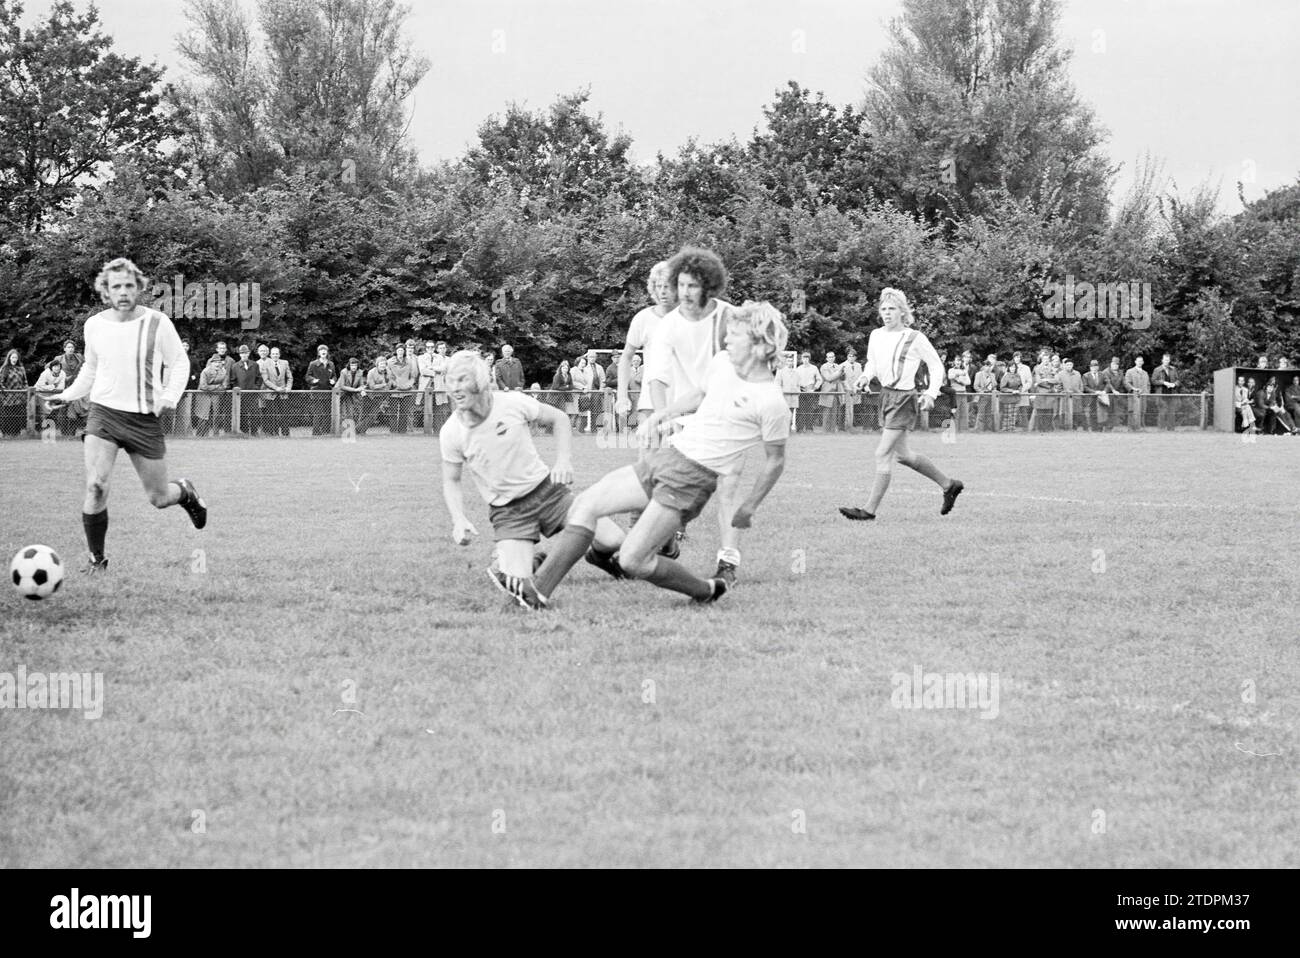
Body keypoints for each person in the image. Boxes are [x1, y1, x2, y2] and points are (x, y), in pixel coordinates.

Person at [508, 302, 791, 610]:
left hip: (691, 481)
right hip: (668, 455)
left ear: (760, 344)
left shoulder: (771, 401)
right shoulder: (722, 362)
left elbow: (775, 460)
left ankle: (705, 590)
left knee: (632, 561)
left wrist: (748, 507)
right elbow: (699, 394)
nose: (726, 340)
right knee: (586, 504)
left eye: (735, 335)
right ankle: (537, 592)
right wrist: (662, 415)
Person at [43, 258, 206, 572]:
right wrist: (65, 395)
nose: (122, 291)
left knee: (158, 497)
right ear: (105, 290)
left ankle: (184, 492)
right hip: (103, 415)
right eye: (115, 286)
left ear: (139, 288)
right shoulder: (95, 325)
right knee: (96, 486)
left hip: (143, 419)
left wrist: (170, 397)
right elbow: (90, 370)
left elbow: (180, 363)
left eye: (129, 285)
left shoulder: (158, 323)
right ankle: (97, 560)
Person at [438, 350, 623, 600]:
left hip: (547, 492)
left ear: (479, 381)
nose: (455, 389)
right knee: (515, 583)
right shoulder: (451, 432)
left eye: (462, 380)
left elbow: (558, 418)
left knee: (613, 540)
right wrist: (458, 520)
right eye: (451, 381)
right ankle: (513, 557)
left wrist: (563, 460)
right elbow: (451, 480)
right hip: (509, 511)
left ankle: (594, 557)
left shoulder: (511, 402)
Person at [645, 245, 747, 584]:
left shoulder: (729, 318)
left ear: (709, 286)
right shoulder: (668, 326)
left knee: (728, 486)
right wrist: (663, 416)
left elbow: (749, 363)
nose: (685, 292)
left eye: (693, 285)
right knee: (673, 489)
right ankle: (670, 537)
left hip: (729, 416)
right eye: (682, 285)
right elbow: (657, 377)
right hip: (686, 418)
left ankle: (728, 562)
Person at [841, 288, 962, 522]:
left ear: (902, 311)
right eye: (883, 309)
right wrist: (865, 377)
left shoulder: (914, 337)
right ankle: (949, 485)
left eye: (892, 309)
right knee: (904, 455)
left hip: (904, 399)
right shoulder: (876, 335)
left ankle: (868, 510)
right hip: (885, 396)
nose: (887, 313)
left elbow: (936, 366)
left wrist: (930, 393)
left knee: (883, 452)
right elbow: (872, 364)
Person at [230, 344, 263, 435]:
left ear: (248, 353)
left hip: (253, 394)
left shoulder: (255, 365)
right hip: (241, 395)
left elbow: (259, 378)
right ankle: (244, 432)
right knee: (242, 413)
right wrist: (237, 390)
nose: (244, 355)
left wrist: (256, 388)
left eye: (245, 353)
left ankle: (254, 432)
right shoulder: (235, 366)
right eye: (242, 353)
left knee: (255, 413)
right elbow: (233, 381)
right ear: (239, 354)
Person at [260, 346, 293, 436]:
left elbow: (289, 377)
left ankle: (286, 434)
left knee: (285, 414)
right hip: (271, 394)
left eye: (277, 353)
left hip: (283, 393)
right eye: (273, 353)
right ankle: (273, 434)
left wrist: (288, 387)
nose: (275, 355)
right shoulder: (265, 364)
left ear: (279, 354)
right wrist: (276, 388)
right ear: (270, 355)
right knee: (272, 415)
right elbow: (265, 380)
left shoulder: (285, 363)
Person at [419, 340, 451, 432]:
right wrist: (436, 372)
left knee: (438, 409)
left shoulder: (439, 357)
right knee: (427, 410)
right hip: (426, 387)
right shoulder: (421, 357)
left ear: (434, 348)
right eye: (428, 347)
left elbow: (443, 368)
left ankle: (438, 431)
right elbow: (423, 371)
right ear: (426, 348)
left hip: (438, 387)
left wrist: (432, 368)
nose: (430, 349)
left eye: (432, 347)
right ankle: (427, 431)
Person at [305, 345, 336, 435]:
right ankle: (316, 432)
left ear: (327, 352)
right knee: (317, 413)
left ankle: (326, 432)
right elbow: (307, 376)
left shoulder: (331, 364)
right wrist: (313, 380)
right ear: (318, 353)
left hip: (328, 391)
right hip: (316, 391)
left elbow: (334, 375)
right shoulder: (313, 364)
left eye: (325, 350)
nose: (323, 351)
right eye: (321, 350)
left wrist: (333, 380)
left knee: (327, 413)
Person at [194, 355, 227, 436]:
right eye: (215, 362)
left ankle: (216, 435)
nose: (217, 364)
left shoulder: (223, 371)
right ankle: (201, 435)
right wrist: (216, 387)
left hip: (216, 395)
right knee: (204, 415)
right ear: (211, 363)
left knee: (216, 414)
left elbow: (224, 386)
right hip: (203, 395)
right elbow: (203, 386)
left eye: (219, 362)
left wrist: (215, 389)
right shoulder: (205, 371)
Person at [389, 343, 418, 434]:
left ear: (404, 351)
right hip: (394, 390)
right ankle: (393, 431)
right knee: (393, 412)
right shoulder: (390, 361)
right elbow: (389, 376)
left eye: (402, 350)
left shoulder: (409, 362)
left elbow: (413, 376)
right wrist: (395, 385)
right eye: (399, 350)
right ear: (396, 351)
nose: (400, 352)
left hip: (407, 391)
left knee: (404, 412)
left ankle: (402, 431)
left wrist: (409, 385)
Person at [363, 355, 395, 433]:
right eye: (381, 364)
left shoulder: (388, 372)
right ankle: (358, 431)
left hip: (380, 397)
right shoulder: (372, 372)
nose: (383, 365)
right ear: (377, 364)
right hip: (369, 396)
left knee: (373, 416)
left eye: (384, 364)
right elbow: (372, 386)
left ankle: (359, 431)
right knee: (365, 415)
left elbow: (389, 384)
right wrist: (383, 385)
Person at [793, 351, 821, 432]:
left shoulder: (814, 368)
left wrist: (814, 388)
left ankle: (809, 428)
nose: (805, 360)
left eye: (807, 358)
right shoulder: (798, 369)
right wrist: (798, 389)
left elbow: (819, 380)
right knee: (800, 410)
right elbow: (795, 380)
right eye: (804, 358)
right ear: (801, 359)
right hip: (801, 391)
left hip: (810, 391)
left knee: (810, 410)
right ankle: (800, 429)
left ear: (809, 359)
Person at [1151, 353, 1179, 430]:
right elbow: (1153, 381)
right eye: (1165, 360)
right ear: (1162, 360)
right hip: (1161, 395)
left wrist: (1174, 384)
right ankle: (1161, 429)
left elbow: (1178, 380)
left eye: (1168, 360)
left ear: (1169, 360)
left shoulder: (1173, 369)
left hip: (1172, 394)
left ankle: (1171, 429)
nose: (1166, 361)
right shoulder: (1157, 370)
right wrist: (1163, 382)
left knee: (1171, 412)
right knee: (1162, 412)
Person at [337, 357, 366, 432]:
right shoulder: (344, 372)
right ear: (349, 365)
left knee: (350, 412)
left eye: (355, 365)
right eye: (352, 365)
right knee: (340, 412)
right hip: (339, 393)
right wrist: (355, 390)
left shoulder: (360, 372)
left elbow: (361, 384)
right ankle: (338, 430)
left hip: (350, 394)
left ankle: (348, 430)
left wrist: (361, 389)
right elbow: (342, 386)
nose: (354, 367)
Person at [818, 350, 844, 433]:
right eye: (829, 357)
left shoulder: (837, 366)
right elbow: (829, 378)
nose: (831, 358)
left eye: (832, 356)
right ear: (826, 358)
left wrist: (843, 373)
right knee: (826, 413)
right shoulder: (823, 367)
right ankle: (825, 431)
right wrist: (839, 372)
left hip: (836, 392)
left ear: (834, 357)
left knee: (834, 413)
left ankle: (832, 431)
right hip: (827, 392)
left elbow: (843, 378)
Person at [1124, 356, 1151, 431]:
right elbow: (1126, 383)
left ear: (1143, 362)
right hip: (1133, 396)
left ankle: (1141, 428)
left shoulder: (1145, 373)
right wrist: (1134, 389)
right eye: (1138, 361)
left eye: (1141, 361)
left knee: (1142, 411)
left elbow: (1148, 385)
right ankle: (1131, 429)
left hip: (1143, 397)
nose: (1139, 362)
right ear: (1135, 362)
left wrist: (1146, 392)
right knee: (1132, 411)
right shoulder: (1130, 371)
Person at [775, 353, 799, 432]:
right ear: (785, 362)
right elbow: (777, 384)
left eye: (791, 361)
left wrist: (797, 392)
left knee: (790, 414)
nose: (790, 362)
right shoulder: (780, 371)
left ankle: (788, 430)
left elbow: (798, 384)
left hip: (793, 397)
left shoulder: (796, 372)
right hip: (784, 397)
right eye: (788, 361)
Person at [549, 358, 577, 426]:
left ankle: (561, 428)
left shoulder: (569, 375)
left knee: (564, 412)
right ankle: (549, 431)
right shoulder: (557, 376)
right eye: (563, 368)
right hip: (554, 397)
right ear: (561, 368)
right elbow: (556, 387)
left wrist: (566, 387)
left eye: (566, 368)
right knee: (554, 414)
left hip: (563, 397)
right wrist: (566, 387)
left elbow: (571, 386)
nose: (565, 369)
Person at [842, 348, 864, 432]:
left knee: (855, 408)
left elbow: (861, 377)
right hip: (847, 391)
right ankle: (846, 427)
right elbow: (843, 380)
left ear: (855, 357)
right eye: (849, 356)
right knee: (847, 409)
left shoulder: (859, 365)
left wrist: (859, 387)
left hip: (856, 390)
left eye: (853, 356)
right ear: (847, 356)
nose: (851, 357)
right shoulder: (842, 365)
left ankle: (853, 426)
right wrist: (849, 389)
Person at [1057, 359, 1083, 429]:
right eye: (1067, 365)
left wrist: (1080, 393)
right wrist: (1062, 392)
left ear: (1073, 365)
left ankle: (1075, 427)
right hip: (1065, 397)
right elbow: (1059, 386)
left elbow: (1081, 385)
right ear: (1064, 365)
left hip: (1076, 396)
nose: (1069, 366)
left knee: (1076, 412)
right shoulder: (1061, 374)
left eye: (1070, 365)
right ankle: (1063, 427)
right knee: (1064, 412)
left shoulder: (1077, 373)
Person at [571, 354, 593, 432]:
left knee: (583, 414)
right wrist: (582, 387)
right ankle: (569, 431)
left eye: (584, 363)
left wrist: (586, 387)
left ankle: (580, 431)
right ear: (577, 362)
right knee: (574, 414)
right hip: (574, 395)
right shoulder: (573, 370)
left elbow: (588, 382)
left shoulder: (586, 372)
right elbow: (572, 382)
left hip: (584, 396)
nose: (583, 365)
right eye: (582, 363)